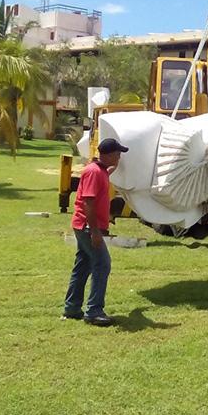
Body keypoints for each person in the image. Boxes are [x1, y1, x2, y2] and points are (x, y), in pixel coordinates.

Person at [62, 137, 129, 326]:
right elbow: (88, 202)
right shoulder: (93, 173)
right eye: (117, 154)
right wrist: (94, 232)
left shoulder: (100, 170)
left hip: (85, 226)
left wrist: (115, 167)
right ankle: (94, 311)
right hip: (87, 226)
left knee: (83, 266)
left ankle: (72, 307)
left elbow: (106, 172)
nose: (119, 157)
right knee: (103, 264)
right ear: (107, 154)